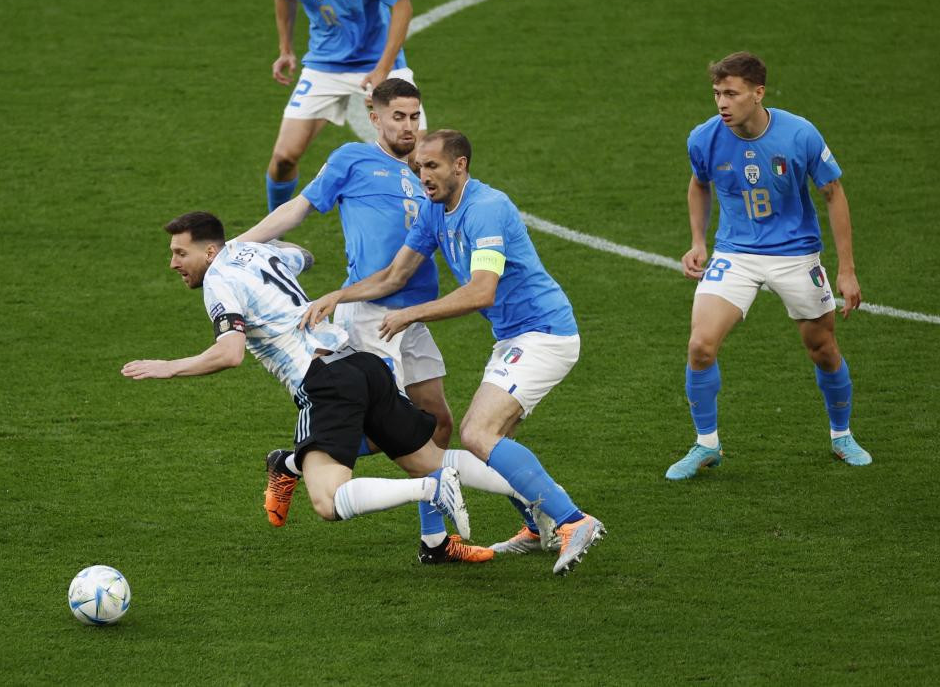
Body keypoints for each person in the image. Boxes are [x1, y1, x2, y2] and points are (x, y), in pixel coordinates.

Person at [121, 211, 522, 563]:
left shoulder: (218, 283)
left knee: (328, 501)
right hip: (362, 365)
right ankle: (548, 504)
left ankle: (426, 491)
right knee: (434, 459)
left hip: (324, 382)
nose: (173, 263)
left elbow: (230, 354)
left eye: (180, 253)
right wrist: (253, 250)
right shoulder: (258, 252)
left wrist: (169, 367)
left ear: (209, 252)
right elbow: (304, 256)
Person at [304, 130, 607, 577]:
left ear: (460, 165)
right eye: (418, 167)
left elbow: (482, 291)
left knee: (477, 433)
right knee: (494, 440)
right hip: (514, 336)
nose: (422, 175)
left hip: (544, 334)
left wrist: (411, 316)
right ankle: (534, 525)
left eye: (433, 167)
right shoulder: (432, 210)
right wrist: (339, 295)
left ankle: (574, 521)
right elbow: (393, 276)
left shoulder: (486, 209)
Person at [238, 78, 497, 565]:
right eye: (397, 116)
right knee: (388, 421)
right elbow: (299, 208)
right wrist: (242, 247)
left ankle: (434, 542)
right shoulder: (351, 160)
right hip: (370, 316)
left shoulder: (431, 169)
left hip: (414, 314)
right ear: (373, 116)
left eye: (414, 116)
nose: (408, 126)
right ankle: (295, 462)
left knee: (437, 422)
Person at [666, 51, 871, 480]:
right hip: (735, 254)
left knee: (823, 349)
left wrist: (846, 268)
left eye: (731, 94)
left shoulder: (800, 135)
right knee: (700, 346)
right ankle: (706, 445)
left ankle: (841, 435)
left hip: (796, 255)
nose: (722, 103)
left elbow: (833, 194)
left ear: (757, 94)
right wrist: (699, 241)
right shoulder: (704, 138)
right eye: (717, 93)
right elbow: (699, 184)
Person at [264, 0, 425, 212]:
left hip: (379, 64)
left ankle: (439, 232)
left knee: (420, 160)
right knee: (282, 158)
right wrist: (286, 49)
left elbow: (402, 4)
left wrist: (383, 69)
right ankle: (273, 239)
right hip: (325, 64)